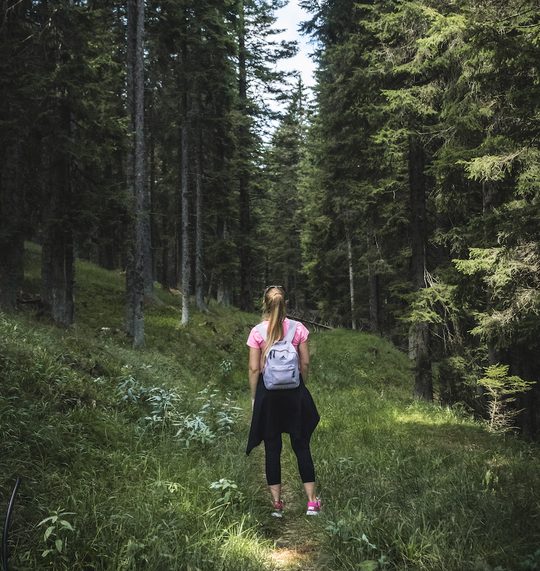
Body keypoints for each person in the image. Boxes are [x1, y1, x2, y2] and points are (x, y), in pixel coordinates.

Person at [246, 285, 321, 517]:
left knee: (272, 448)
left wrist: (253, 397)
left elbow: (253, 368)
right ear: (285, 303)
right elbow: (305, 364)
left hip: (269, 395)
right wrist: (301, 383)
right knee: (301, 445)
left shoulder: (257, 332)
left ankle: (277, 505)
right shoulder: (298, 329)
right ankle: (311, 503)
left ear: (264, 305)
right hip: (294, 392)